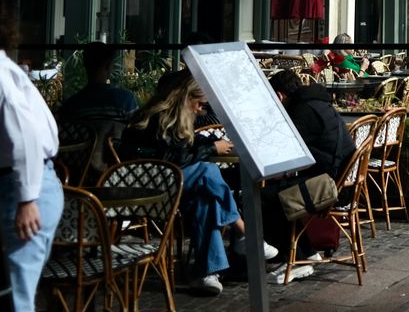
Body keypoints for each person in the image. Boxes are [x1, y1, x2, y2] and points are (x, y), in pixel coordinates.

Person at [122, 72, 277, 295]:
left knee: (205, 200)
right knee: (208, 169)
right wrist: (213, 149)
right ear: (185, 97)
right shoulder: (159, 118)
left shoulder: (175, 119)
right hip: (146, 186)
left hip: (169, 184)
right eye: (199, 103)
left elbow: (188, 145)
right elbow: (171, 160)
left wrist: (214, 143)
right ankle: (244, 233)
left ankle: (206, 273)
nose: (199, 109)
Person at [0, 4, 63, 312]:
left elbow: (24, 136)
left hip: (23, 187)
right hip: (24, 186)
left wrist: (27, 200)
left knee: (17, 302)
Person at [263, 70, 357, 279]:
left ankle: (298, 258)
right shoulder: (319, 104)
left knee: (266, 198)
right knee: (277, 191)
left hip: (328, 188)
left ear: (279, 96)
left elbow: (283, 150)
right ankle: (307, 253)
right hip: (342, 183)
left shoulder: (301, 112)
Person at [58, 43, 139, 123]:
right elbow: (136, 130)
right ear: (108, 66)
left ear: (85, 65)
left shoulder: (71, 105)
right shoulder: (126, 101)